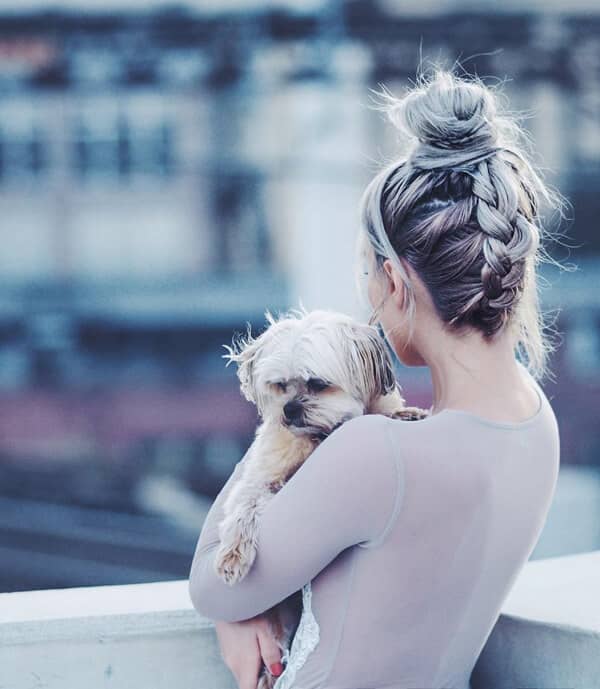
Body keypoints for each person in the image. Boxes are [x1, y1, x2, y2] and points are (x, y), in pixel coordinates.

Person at [188, 69, 561, 689]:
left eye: (366, 273)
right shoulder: (535, 421)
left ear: (394, 281)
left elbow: (212, 584)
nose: (367, 298)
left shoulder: (377, 452)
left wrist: (239, 603)